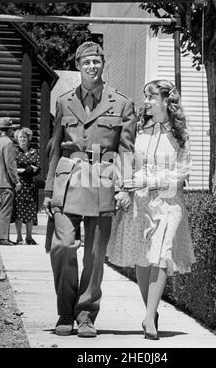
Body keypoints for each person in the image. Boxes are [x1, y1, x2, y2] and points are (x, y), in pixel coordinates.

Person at [43, 41, 136, 338]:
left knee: (94, 256)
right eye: (86, 62)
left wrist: (127, 188)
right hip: (68, 182)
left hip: (103, 181)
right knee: (62, 246)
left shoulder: (122, 104)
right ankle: (65, 311)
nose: (92, 67)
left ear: (102, 65)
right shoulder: (64, 101)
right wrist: (48, 191)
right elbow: (54, 148)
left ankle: (85, 314)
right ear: (78, 65)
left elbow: (127, 151)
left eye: (96, 62)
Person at [107, 79, 196, 340]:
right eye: (145, 96)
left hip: (168, 203)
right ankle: (151, 311)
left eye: (151, 97)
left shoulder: (180, 134)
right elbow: (124, 159)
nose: (146, 102)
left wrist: (153, 180)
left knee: (160, 254)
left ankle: (148, 318)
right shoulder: (138, 130)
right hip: (140, 202)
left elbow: (182, 170)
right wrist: (124, 187)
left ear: (166, 101)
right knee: (143, 257)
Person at [0, 117, 21, 245]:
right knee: (5, 210)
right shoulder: (8, 143)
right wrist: (16, 181)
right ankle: (3, 237)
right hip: (7, 182)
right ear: (9, 129)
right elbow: (10, 164)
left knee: (0, 210)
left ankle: (1, 235)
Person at [11, 127, 41, 245]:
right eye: (20, 137)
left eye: (25, 137)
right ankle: (19, 237)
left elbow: (37, 165)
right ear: (17, 139)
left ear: (28, 139)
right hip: (19, 184)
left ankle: (29, 237)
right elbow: (12, 168)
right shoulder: (14, 151)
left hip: (31, 185)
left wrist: (33, 169)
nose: (23, 139)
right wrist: (25, 170)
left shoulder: (34, 151)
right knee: (19, 211)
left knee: (30, 210)